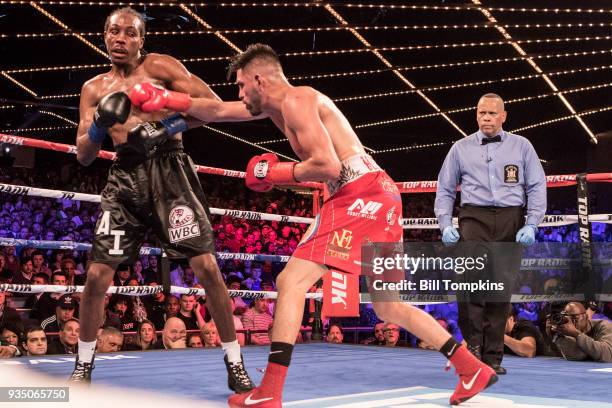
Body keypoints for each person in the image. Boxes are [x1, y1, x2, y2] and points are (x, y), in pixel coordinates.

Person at [133, 43, 498, 407]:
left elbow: (327, 167)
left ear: (259, 79)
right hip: (381, 194)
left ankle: (270, 392)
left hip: (356, 194)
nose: (240, 94)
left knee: (290, 281)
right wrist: (168, 99)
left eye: (242, 86)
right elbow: (216, 109)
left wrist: (273, 172)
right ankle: (471, 367)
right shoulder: (280, 106)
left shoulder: (296, 100)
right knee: (389, 307)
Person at [70, 6, 256, 393]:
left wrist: (164, 124)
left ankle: (234, 360)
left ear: (141, 39)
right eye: (113, 32)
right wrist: (101, 125)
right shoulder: (94, 88)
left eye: (129, 33)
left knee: (205, 267)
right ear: (104, 36)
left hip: (169, 169)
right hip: (124, 175)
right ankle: (83, 365)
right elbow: (84, 155)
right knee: (96, 276)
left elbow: (211, 108)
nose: (120, 39)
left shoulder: (162, 66)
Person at [435, 93, 547, 375]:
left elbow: (536, 186)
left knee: (500, 287)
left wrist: (532, 222)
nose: (486, 118)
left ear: (503, 116)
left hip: (511, 218)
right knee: (470, 283)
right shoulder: (460, 148)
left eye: (492, 113)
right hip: (474, 216)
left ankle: (493, 357)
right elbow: (445, 188)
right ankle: (472, 351)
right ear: (476, 115)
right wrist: (445, 223)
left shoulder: (522, 146)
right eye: (482, 113)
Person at [547, 302, 612, 362]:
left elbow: (607, 355)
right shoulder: (566, 330)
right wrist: (557, 336)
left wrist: (576, 333)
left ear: (586, 317)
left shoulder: (604, 325)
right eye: (567, 318)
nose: (572, 322)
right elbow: (578, 356)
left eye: (575, 318)